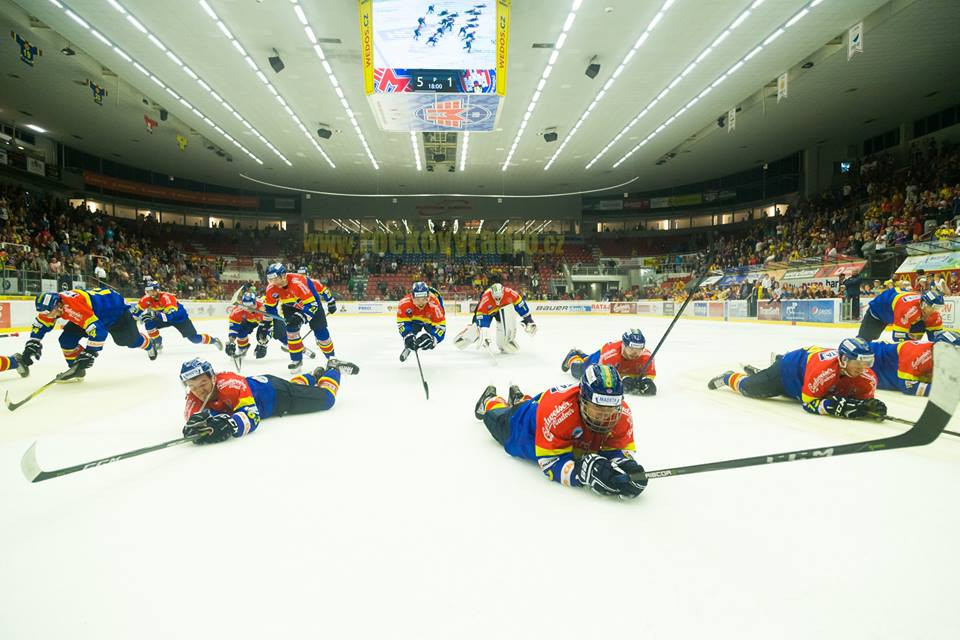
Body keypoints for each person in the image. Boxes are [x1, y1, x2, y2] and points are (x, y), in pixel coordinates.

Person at [473, 363, 647, 499]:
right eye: (598, 407)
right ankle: (491, 400)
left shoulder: (623, 413)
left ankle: (519, 397)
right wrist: (580, 473)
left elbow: (614, 449)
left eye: (611, 407)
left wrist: (626, 465)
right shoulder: (560, 414)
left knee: (529, 405)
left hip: (546, 408)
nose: (606, 415)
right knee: (495, 417)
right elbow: (550, 463)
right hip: (523, 426)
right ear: (582, 399)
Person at [180, 356, 359, 444]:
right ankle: (314, 376)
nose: (199, 391)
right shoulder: (193, 397)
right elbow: (194, 420)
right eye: (192, 386)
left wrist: (231, 425)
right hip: (265, 386)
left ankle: (333, 368)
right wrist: (194, 428)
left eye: (203, 383)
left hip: (277, 394)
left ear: (212, 378)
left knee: (327, 399)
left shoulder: (229, 383)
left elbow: (252, 416)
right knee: (295, 386)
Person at [708, 337, 885, 419]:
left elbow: (863, 400)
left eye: (867, 362)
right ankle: (729, 377)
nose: (863, 368)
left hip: (807, 375)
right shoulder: (825, 372)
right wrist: (833, 407)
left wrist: (868, 407)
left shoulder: (868, 378)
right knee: (749, 388)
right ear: (844, 359)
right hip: (788, 372)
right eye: (859, 362)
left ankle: (764, 372)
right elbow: (808, 403)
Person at [24, 289, 157, 381]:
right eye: (44, 312)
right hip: (93, 313)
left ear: (59, 305)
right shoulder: (54, 305)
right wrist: (33, 341)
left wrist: (90, 352)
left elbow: (99, 331)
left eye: (49, 312)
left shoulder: (73, 308)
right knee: (66, 339)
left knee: (129, 341)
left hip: (116, 314)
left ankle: (149, 344)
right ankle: (77, 370)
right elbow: (42, 322)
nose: (48, 315)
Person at [264, 263, 337, 372]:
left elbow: (312, 305)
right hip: (290, 306)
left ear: (283, 276)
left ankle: (332, 358)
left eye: (275, 279)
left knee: (320, 331)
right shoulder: (271, 288)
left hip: (311, 303)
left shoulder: (298, 283)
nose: (273, 282)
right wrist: (268, 323)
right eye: (270, 279)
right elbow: (270, 308)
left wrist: (330, 302)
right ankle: (296, 360)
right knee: (291, 331)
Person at [132, 281, 223, 353]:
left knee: (194, 339)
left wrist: (154, 314)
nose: (150, 293)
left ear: (157, 290)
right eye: (148, 291)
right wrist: (131, 319)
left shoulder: (167, 297)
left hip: (179, 319)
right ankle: (158, 342)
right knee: (148, 322)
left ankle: (214, 341)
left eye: (152, 291)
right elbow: (135, 313)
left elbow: (170, 317)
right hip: (163, 317)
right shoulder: (146, 299)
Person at [561, 329, 657, 396]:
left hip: (614, 365)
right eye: (631, 349)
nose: (635, 353)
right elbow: (601, 377)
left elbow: (649, 375)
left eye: (639, 350)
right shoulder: (610, 356)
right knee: (579, 370)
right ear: (623, 346)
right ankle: (573, 356)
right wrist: (622, 380)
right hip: (600, 359)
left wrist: (647, 381)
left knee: (586, 360)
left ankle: (582, 354)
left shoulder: (647, 357)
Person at [868, 331, 959, 396]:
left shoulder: (938, 355)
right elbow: (908, 387)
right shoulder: (919, 356)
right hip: (873, 360)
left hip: (885, 373)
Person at [454, 282, 536, 353]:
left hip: (501, 310)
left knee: (504, 328)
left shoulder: (510, 293)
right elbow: (481, 315)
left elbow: (520, 304)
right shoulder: (485, 299)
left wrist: (528, 318)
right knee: (476, 329)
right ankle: (464, 337)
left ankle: (504, 342)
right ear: (492, 294)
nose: (498, 300)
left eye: (499, 297)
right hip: (487, 311)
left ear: (503, 292)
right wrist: (484, 330)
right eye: (496, 297)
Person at [857, 287, 944, 342]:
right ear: (923, 304)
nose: (935, 311)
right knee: (864, 340)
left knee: (917, 332)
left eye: (938, 308)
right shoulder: (908, 310)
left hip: (898, 308)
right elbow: (898, 337)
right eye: (934, 307)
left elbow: (937, 338)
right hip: (879, 311)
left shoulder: (934, 313)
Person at [396, 281, 446, 356]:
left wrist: (432, 338)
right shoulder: (404, 304)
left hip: (430, 320)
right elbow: (402, 322)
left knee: (429, 339)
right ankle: (410, 344)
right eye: (417, 299)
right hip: (415, 319)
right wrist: (407, 335)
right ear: (412, 297)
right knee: (412, 330)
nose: (421, 303)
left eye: (424, 299)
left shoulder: (435, 306)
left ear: (428, 297)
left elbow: (441, 328)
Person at [226, 291, 274, 360]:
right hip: (249, 321)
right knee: (241, 333)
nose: (248, 308)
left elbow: (270, 327)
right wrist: (231, 342)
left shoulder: (265, 308)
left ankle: (287, 343)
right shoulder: (236, 311)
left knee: (262, 335)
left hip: (263, 320)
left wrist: (263, 343)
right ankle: (242, 349)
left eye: (250, 305)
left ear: (255, 303)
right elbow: (233, 328)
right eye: (246, 305)